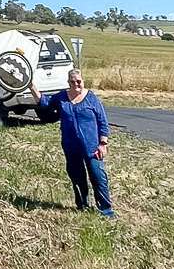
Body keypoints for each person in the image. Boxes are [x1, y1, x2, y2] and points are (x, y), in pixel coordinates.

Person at [29, 68, 115, 217]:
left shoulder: (91, 98)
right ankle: (82, 206)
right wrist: (31, 86)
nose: (76, 85)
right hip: (70, 146)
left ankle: (106, 210)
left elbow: (103, 122)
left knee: (98, 177)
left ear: (83, 81)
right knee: (77, 176)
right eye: (73, 82)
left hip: (92, 147)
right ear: (68, 82)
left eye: (79, 81)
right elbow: (44, 103)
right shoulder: (61, 98)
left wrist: (103, 143)